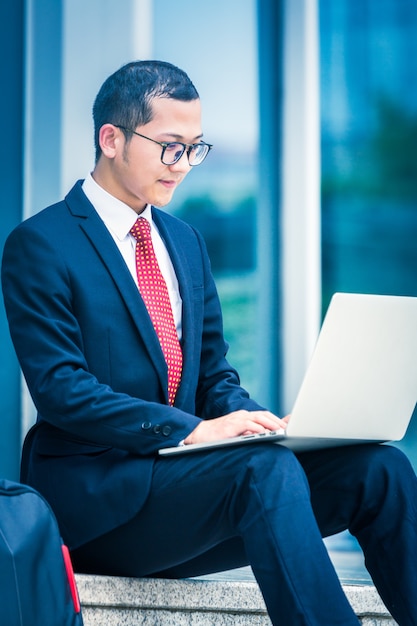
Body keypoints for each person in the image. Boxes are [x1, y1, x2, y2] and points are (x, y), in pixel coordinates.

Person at [2, 60, 417, 626]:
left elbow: (213, 375)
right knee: (261, 471)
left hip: (186, 498)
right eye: (171, 146)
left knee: (381, 469)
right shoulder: (41, 244)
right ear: (112, 139)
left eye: (195, 148)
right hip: (100, 509)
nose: (184, 166)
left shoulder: (184, 242)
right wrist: (195, 430)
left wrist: (264, 423)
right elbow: (61, 390)